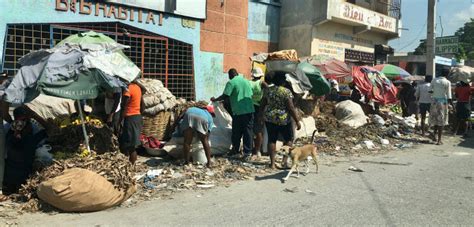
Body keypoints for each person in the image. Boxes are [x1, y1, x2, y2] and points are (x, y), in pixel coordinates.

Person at [259, 71, 301, 169]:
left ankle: (272, 164)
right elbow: (290, 107)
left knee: (271, 140)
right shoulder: (286, 92)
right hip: (284, 119)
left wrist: (260, 116)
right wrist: (297, 120)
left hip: (270, 118)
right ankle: (284, 161)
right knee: (288, 139)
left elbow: (262, 104)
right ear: (283, 81)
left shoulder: (268, 90)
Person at [2, 107, 47, 195]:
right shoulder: (11, 135)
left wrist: (34, 116)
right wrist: (34, 116)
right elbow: (50, 129)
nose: (23, 124)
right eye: (21, 121)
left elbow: (51, 130)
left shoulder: (31, 137)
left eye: (27, 121)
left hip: (21, 180)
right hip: (13, 181)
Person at [211, 68, 255, 159]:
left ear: (230, 75)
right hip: (250, 110)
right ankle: (248, 152)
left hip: (238, 111)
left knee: (236, 132)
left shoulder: (231, 82)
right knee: (248, 131)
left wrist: (215, 100)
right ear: (237, 73)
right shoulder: (246, 81)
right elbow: (250, 93)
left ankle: (235, 150)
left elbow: (225, 95)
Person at [120, 81, 144, 164]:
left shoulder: (128, 89)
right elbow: (142, 104)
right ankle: (131, 164)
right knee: (130, 144)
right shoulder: (137, 88)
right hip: (137, 116)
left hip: (130, 117)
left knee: (131, 146)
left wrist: (121, 119)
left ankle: (132, 166)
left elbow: (124, 105)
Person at [249, 68, 268, 158]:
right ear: (260, 75)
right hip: (259, 107)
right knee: (259, 130)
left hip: (249, 107)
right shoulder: (262, 83)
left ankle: (253, 149)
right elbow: (269, 90)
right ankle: (257, 150)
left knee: (251, 130)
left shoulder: (249, 83)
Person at [429, 72, 452, 145]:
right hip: (442, 103)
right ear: (447, 74)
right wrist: (450, 105)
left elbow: (430, 91)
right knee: (441, 121)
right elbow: (449, 95)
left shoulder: (434, 80)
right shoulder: (447, 82)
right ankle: (439, 140)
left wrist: (434, 94)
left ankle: (434, 136)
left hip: (434, 102)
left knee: (435, 119)